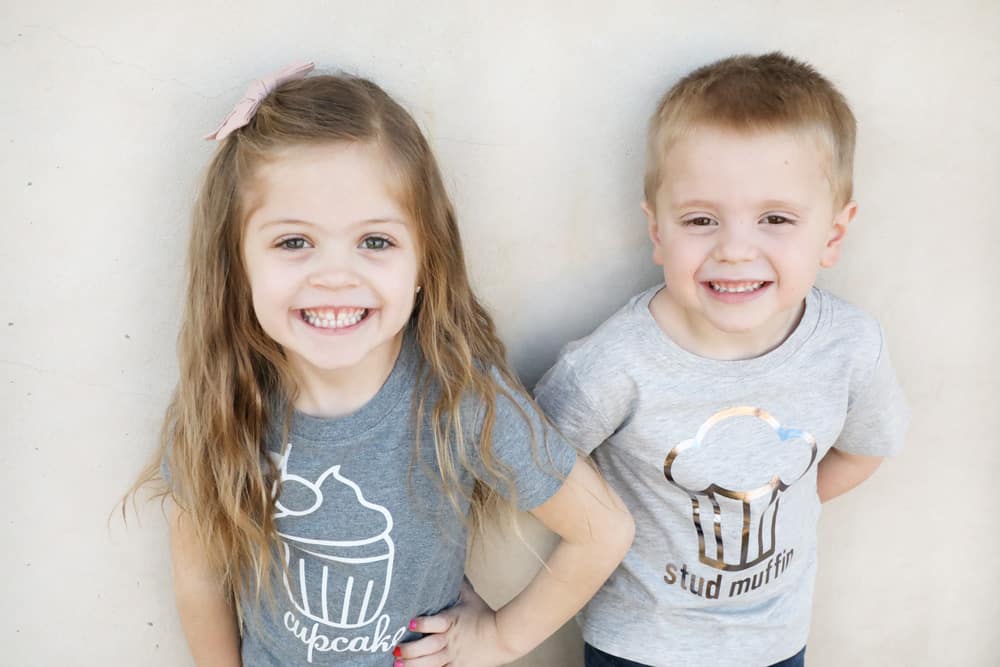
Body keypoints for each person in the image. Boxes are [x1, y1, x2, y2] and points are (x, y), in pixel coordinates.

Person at [128, 61, 633, 667]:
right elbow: (202, 579)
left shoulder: (459, 397)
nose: (336, 276)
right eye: (294, 242)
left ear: (426, 261)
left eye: (375, 242)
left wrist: (500, 638)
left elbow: (603, 530)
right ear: (237, 267)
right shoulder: (222, 402)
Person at [534, 52, 909, 667]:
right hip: (639, 641)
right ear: (658, 232)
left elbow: (866, 447)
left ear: (833, 236)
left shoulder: (849, 346)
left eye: (776, 219)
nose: (736, 250)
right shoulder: (616, 363)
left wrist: (786, 499)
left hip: (776, 638)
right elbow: (532, 463)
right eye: (701, 219)